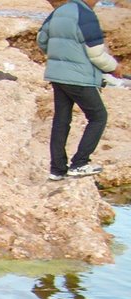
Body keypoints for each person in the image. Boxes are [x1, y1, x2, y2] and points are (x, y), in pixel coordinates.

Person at [37, 0, 123, 181]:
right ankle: (80, 164)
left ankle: (57, 169)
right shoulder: (86, 16)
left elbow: (41, 40)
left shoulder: (58, 12)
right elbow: (96, 54)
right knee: (98, 117)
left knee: (61, 120)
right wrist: (114, 67)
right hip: (79, 78)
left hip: (58, 76)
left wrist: (60, 58)